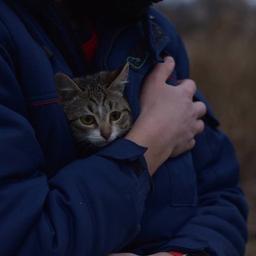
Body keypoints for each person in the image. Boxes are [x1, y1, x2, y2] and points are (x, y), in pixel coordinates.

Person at [0, 0, 248, 255]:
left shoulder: (156, 33)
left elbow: (221, 195)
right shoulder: (9, 32)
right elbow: (21, 238)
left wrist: (182, 253)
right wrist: (149, 145)